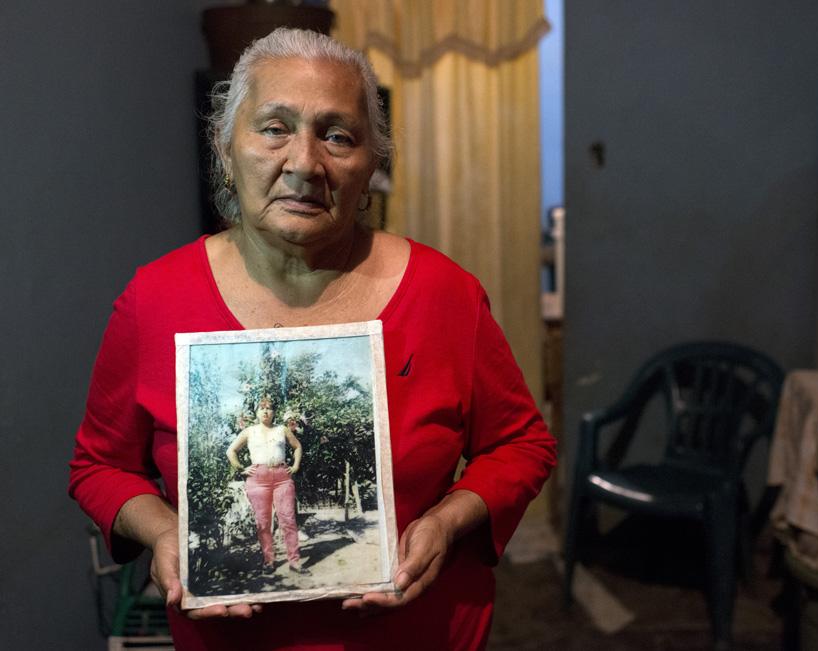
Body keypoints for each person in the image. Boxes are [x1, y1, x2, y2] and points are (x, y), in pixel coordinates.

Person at [68, 27, 556, 651]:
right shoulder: (153, 300)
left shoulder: (444, 294)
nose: (304, 163)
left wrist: (447, 521)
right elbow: (99, 466)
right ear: (224, 148)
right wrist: (163, 531)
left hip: (421, 632)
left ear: (372, 164)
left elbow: (522, 444)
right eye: (274, 127)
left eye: (338, 135)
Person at [226, 398, 306, 575]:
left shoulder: (282, 429)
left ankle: (295, 561)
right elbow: (231, 451)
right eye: (262, 409)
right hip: (257, 480)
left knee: (288, 520)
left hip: (282, 479)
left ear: (274, 412)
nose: (265, 412)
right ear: (256, 412)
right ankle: (269, 561)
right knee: (263, 523)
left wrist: (296, 465)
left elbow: (297, 446)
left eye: (269, 408)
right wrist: (241, 468)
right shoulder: (249, 431)